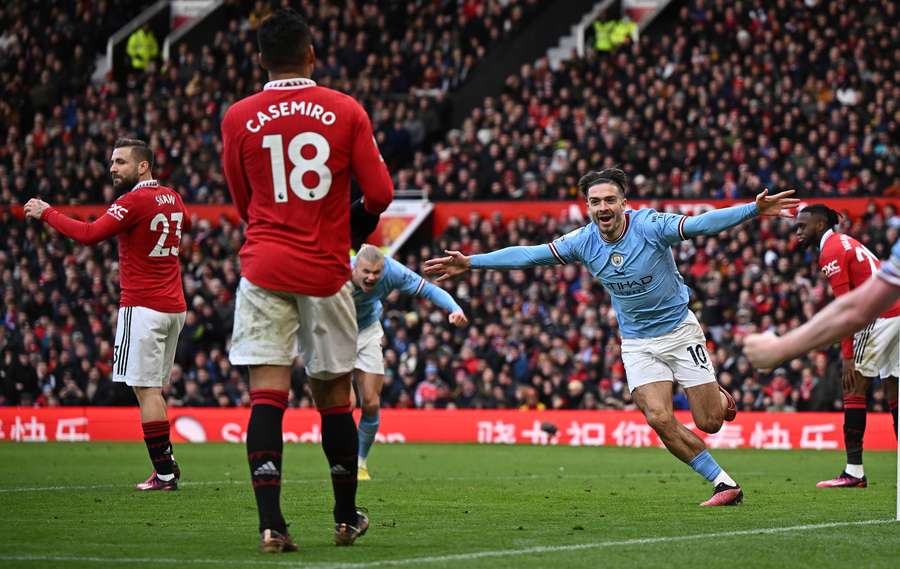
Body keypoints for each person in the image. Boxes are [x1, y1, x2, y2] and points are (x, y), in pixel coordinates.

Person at [425, 167, 799, 506]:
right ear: (587, 206)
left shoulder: (651, 226)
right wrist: (471, 262)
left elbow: (701, 224)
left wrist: (752, 209)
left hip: (679, 332)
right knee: (657, 416)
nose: (602, 207)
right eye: (594, 201)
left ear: (623, 202)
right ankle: (723, 483)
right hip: (637, 341)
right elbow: (531, 255)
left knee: (710, 422)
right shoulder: (583, 241)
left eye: (609, 200)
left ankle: (716, 396)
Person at [219, 8, 393, 553]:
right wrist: (344, 226)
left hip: (264, 265)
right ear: (311, 54)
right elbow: (382, 195)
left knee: (266, 396)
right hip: (323, 269)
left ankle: (272, 526)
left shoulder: (239, 116)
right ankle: (345, 518)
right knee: (333, 398)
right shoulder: (344, 109)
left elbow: (241, 201)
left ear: (261, 60)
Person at [24, 138, 187, 491]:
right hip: (174, 306)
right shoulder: (172, 196)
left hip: (143, 306)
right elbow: (176, 229)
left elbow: (88, 234)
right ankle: (167, 465)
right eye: (112, 162)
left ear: (142, 166)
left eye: (120, 162)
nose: (112, 168)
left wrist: (47, 211)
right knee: (153, 390)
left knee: (145, 391)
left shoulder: (132, 201)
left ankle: (164, 472)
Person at [750, 206, 899, 487]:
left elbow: (846, 309)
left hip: (879, 315)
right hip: (896, 311)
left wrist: (847, 357)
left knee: (853, 386)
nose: (797, 232)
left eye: (802, 226)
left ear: (820, 225)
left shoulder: (830, 250)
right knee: (893, 386)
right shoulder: (845, 242)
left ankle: (854, 471)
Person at [350, 244, 468, 480]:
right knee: (345, 404)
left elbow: (429, 291)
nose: (372, 277)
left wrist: (454, 308)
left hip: (367, 331)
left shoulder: (393, 271)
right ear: (355, 268)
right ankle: (341, 461)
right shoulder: (335, 267)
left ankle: (360, 463)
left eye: (377, 272)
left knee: (371, 403)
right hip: (335, 332)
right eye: (366, 272)